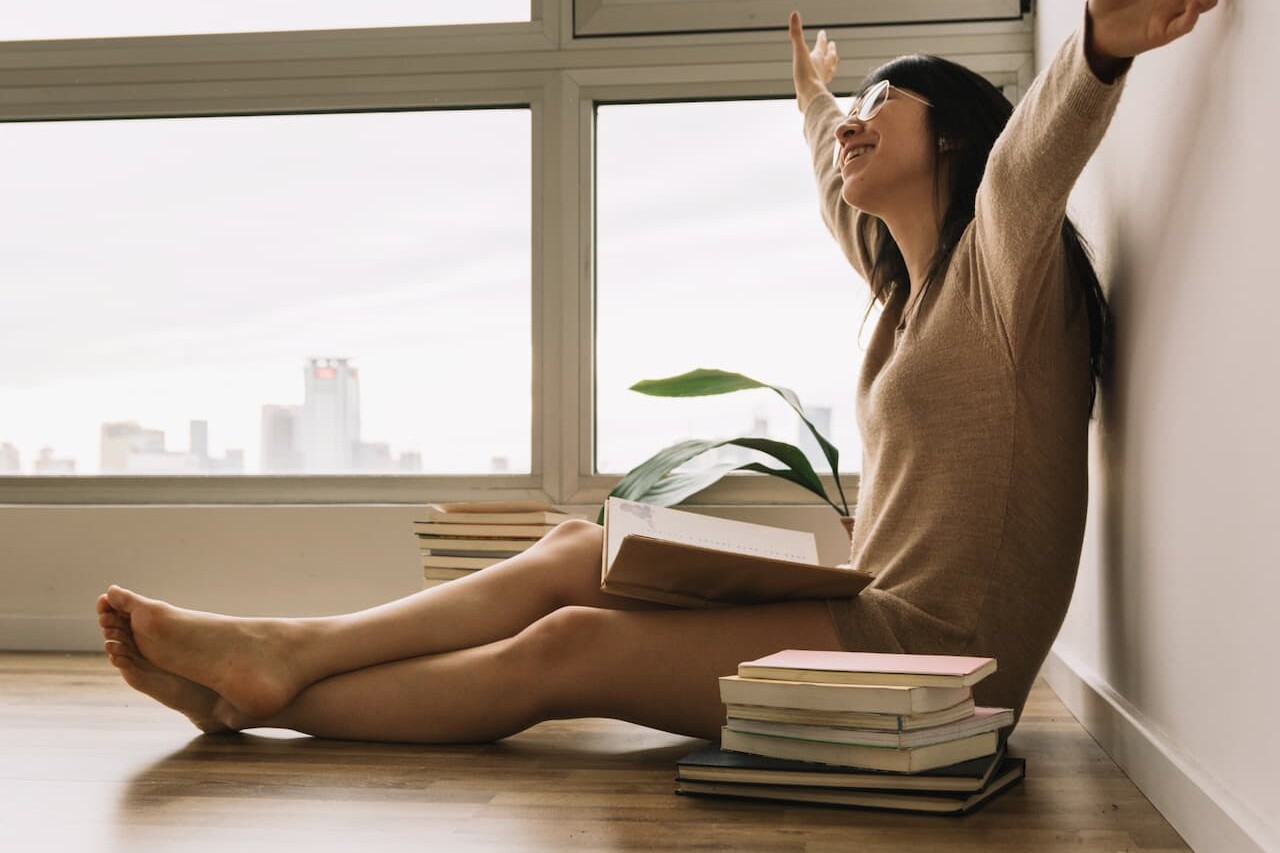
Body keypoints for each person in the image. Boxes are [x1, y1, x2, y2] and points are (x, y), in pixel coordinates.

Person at [96, 0, 1217, 744]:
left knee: (569, 646)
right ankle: (281, 659)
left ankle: (279, 686)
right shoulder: (904, 299)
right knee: (575, 548)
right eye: (854, 111)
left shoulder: (1002, 279)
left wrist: (1100, 47)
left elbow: (1032, 158)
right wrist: (811, 97)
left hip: (935, 667)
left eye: (885, 103)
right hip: (868, 616)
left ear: (959, 139)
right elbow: (835, 183)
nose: (854, 125)